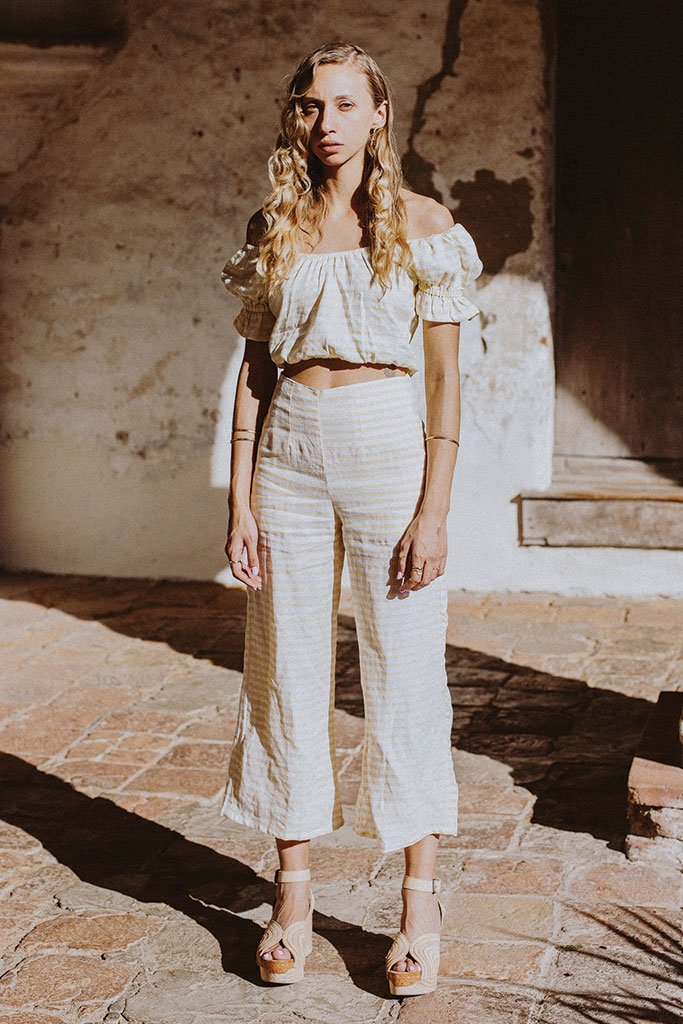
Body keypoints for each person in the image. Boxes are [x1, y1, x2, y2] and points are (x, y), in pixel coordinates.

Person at [219, 41, 483, 996]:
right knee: (282, 668)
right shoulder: (276, 224)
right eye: (309, 104)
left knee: (402, 670)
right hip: (288, 448)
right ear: (295, 116)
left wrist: (434, 510)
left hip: (383, 444)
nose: (324, 121)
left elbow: (445, 382)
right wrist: (240, 497)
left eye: (343, 104)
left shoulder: (421, 223)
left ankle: (418, 901)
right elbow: (255, 373)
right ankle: (291, 897)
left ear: (379, 116)